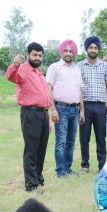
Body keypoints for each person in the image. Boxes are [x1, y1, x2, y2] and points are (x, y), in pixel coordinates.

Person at [5, 42, 56, 193]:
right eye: (34, 55)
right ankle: (31, 185)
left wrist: (50, 114)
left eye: (40, 55)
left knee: (41, 149)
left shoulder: (39, 72)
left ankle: (38, 179)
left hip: (43, 113)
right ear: (28, 55)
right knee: (31, 150)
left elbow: (46, 95)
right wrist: (15, 64)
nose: (37, 57)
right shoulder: (22, 70)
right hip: (30, 113)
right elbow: (10, 76)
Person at [46, 39, 84, 178]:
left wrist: (82, 110)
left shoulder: (77, 69)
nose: (68, 53)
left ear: (74, 53)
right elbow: (48, 88)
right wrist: (53, 110)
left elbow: (80, 91)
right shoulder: (54, 67)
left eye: (71, 51)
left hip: (75, 109)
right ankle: (60, 171)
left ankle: (68, 168)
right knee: (61, 141)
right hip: (60, 108)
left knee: (71, 141)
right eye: (66, 51)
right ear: (61, 51)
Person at [77, 36, 107, 173]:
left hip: (100, 106)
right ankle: (85, 165)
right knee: (84, 137)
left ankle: (102, 165)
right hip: (85, 105)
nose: (93, 50)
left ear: (98, 49)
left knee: (101, 137)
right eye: (91, 47)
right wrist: (81, 109)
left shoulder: (104, 65)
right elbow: (78, 88)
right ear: (86, 49)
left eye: (95, 48)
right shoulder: (79, 66)